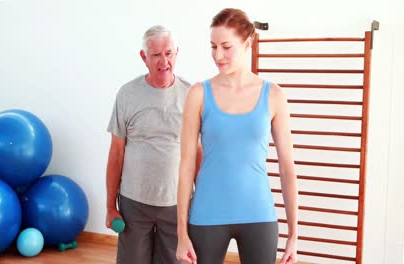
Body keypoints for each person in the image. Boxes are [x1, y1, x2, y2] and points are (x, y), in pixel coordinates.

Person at [176, 8, 298, 264]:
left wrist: (294, 236)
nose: (217, 55)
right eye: (213, 46)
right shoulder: (198, 93)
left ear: (247, 43)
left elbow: (287, 169)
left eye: (226, 46)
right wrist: (181, 233)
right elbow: (186, 166)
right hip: (207, 214)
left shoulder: (274, 95)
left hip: (258, 214)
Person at [105, 25, 197, 264]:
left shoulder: (191, 95)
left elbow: (197, 152)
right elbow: (116, 153)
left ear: (176, 53)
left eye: (168, 53)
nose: (163, 61)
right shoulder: (127, 94)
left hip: (177, 203)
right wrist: (109, 206)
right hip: (134, 203)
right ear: (144, 57)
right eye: (156, 54)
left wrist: (202, 202)